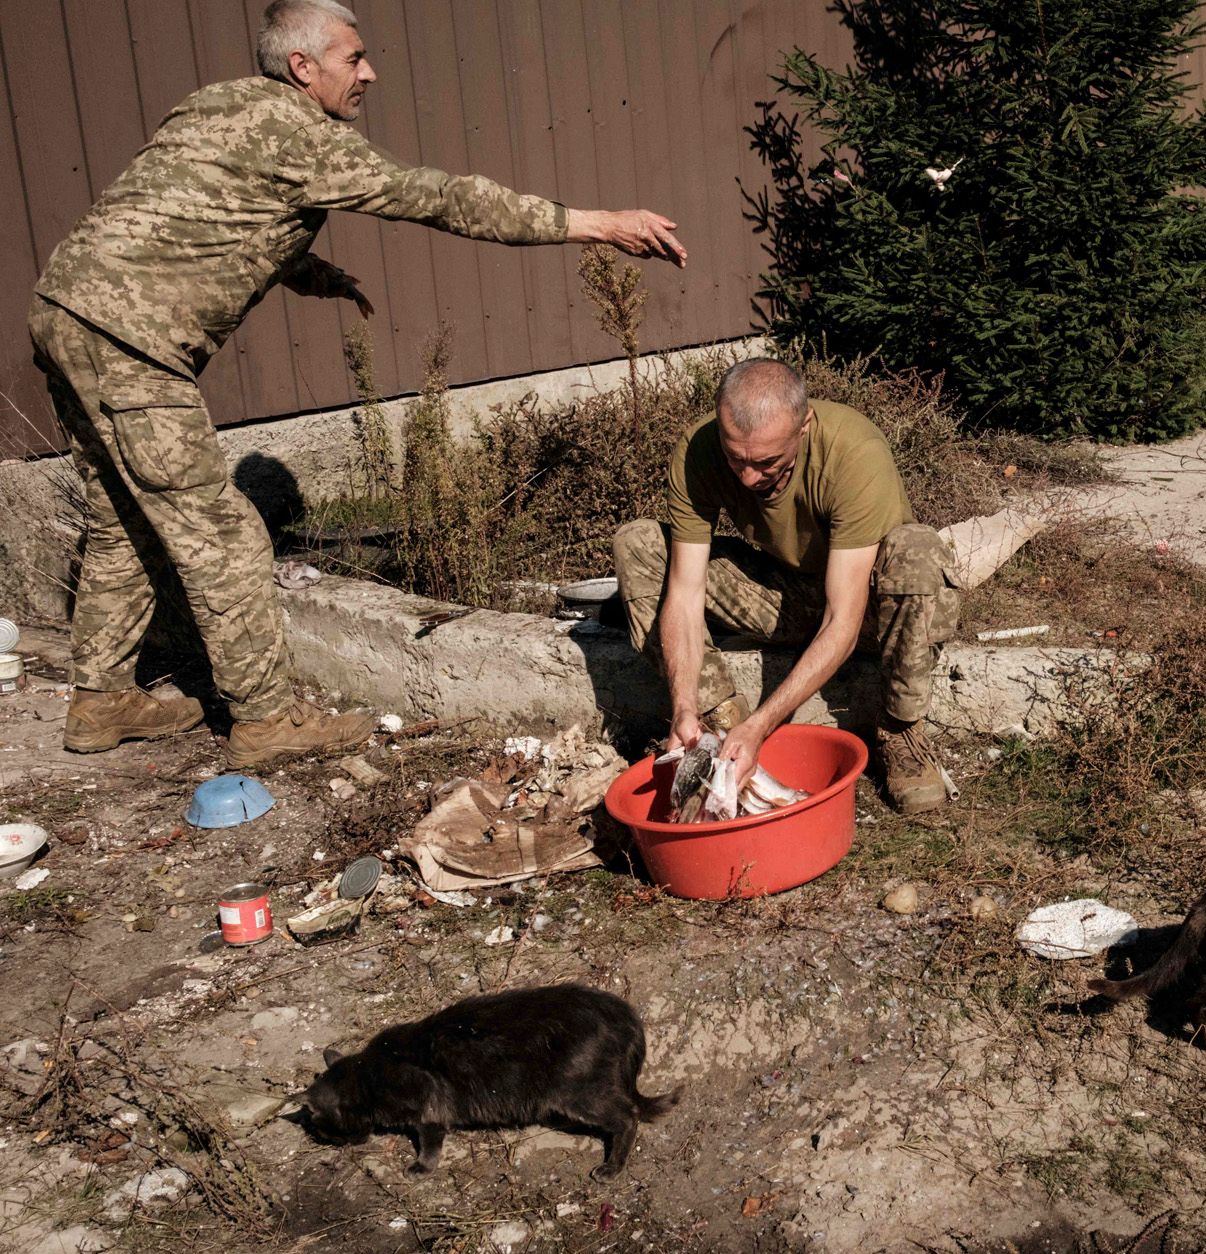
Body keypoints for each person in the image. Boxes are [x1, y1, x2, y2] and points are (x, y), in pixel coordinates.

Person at [29, 0, 687, 769]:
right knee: (223, 533)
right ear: (302, 67)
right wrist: (597, 224)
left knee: (120, 517)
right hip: (128, 340)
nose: (369, 72)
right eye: (353, 58)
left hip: (64, 311)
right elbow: (439, 198)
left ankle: (102, 699)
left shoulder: (218, 104)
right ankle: (266, 719)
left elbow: (209, 211)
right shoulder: (306, 135)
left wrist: (313, 274)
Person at [613, 358, 959, 814]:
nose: (748, 477)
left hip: (864, 607)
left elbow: (842, 620)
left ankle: (899, 730)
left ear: (804, 426)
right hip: (783, 597)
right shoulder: (699, 450)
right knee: (638, 544)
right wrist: (683, 705)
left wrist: (763, 725)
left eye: (767, 462)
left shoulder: (854, 451)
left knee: (918, 551)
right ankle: (716, 725)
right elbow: (685, 593)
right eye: (736, 459)